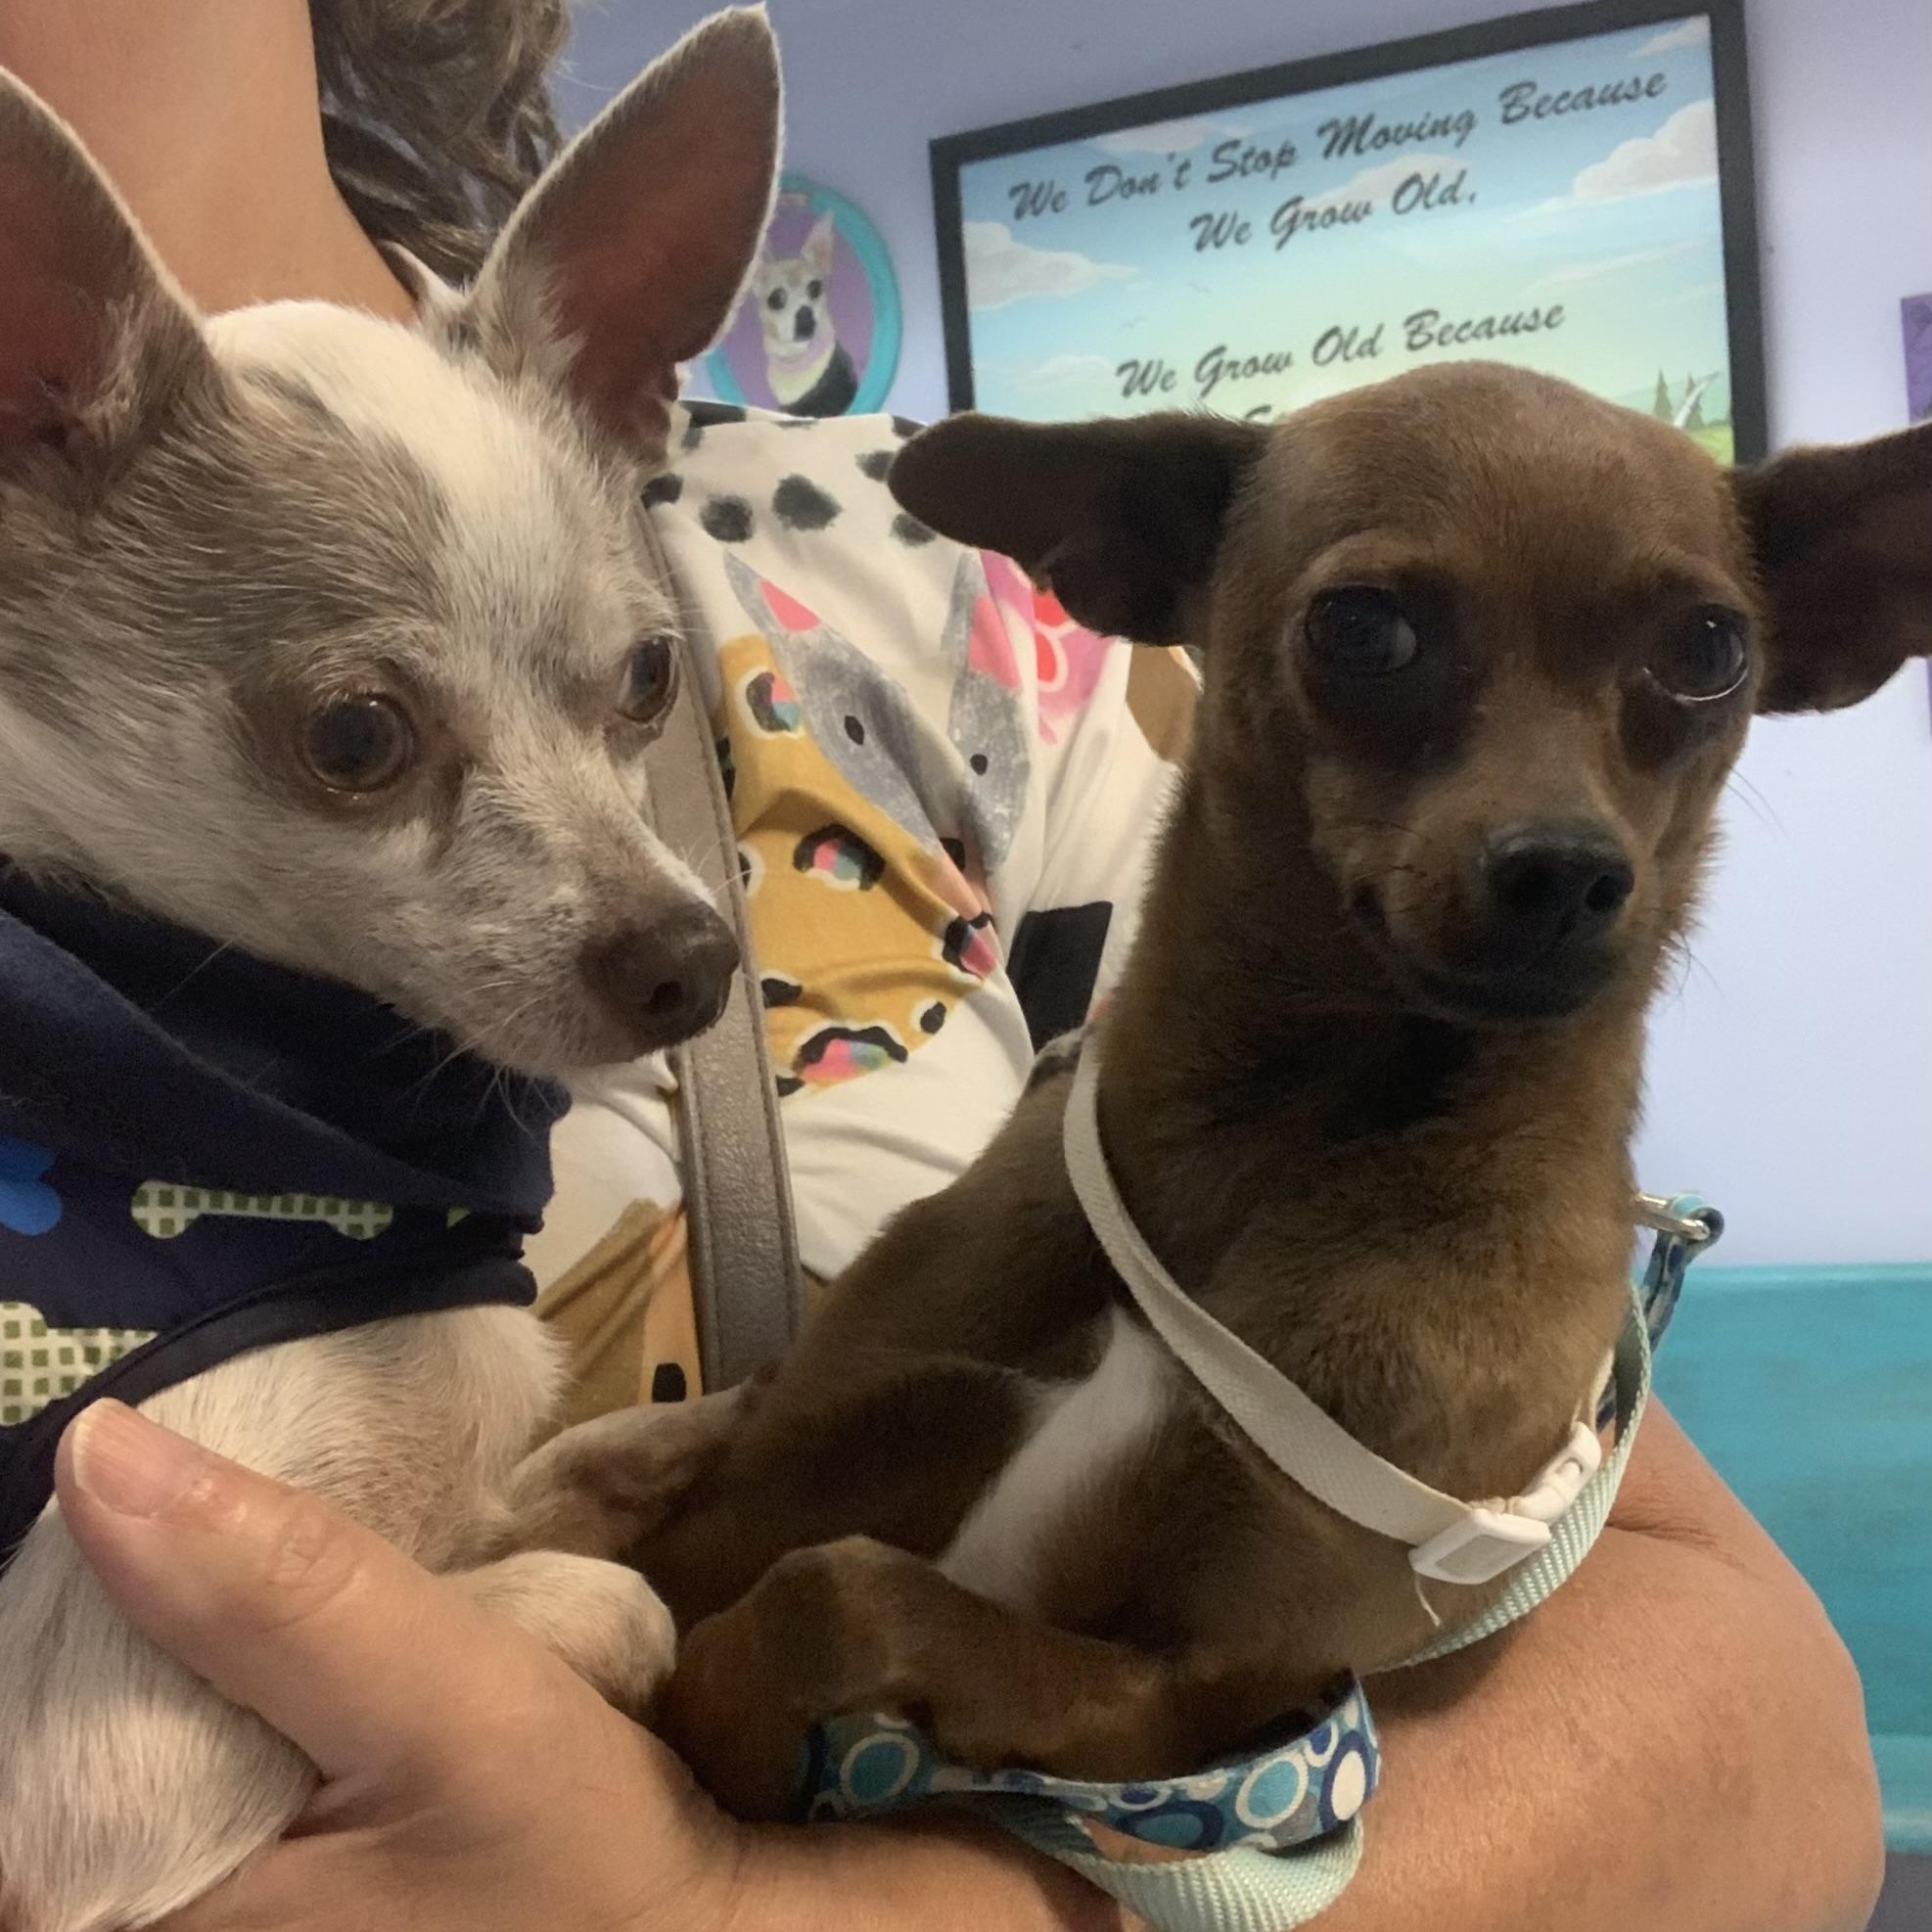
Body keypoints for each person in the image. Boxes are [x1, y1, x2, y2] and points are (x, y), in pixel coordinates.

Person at [0, 4, 1885, 1929]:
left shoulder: (942, 614)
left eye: (635, 685)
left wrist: (758, 1912)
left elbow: (1756, 1734)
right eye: (357, 740)